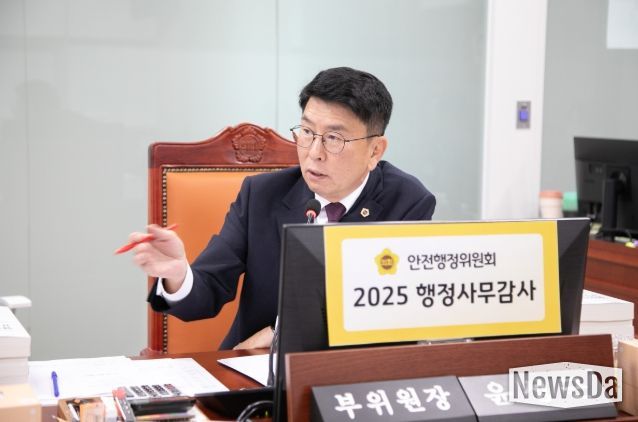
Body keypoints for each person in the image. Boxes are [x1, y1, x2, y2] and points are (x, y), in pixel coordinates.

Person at [130, 67, 436, 350]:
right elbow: (207, 291)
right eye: (307, 132)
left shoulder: (407, 202)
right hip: (253, 372)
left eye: (334, 138)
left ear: (374, 151)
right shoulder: (262, 195)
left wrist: (282, 332)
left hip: (350, 373)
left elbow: (392, 311)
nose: (314, 153)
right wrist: (179, 274)